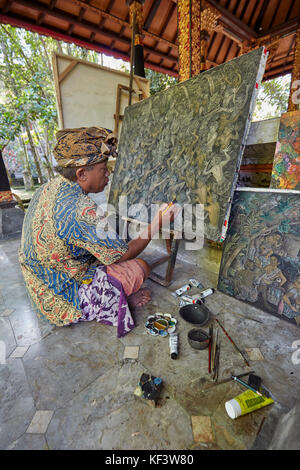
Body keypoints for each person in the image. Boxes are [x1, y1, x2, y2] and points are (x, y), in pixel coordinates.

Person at [19, 127, 176, 337]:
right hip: (61, 298)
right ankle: (112, 303)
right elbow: (121, 255)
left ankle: (112, 297)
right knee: (141, 266)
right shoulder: (81, 211)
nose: (108, 174)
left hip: (40, 284)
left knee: (110, 247)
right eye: (103, 169)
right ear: (82, 174)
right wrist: (158, 222)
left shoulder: (49, 188)